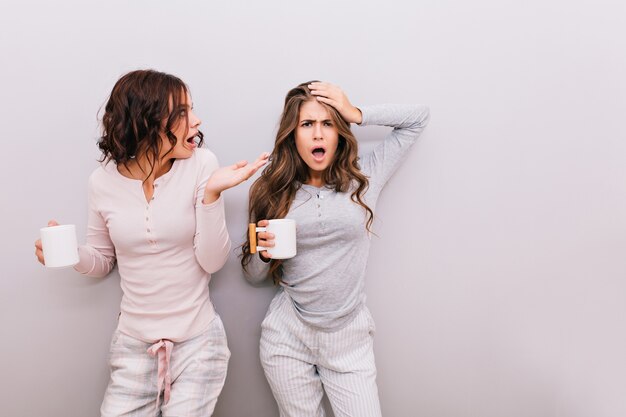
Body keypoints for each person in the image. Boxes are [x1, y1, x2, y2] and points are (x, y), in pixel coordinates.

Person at [34, 69, 268, 416]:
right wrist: (71, 255)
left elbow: (212, 262)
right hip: (132, 346)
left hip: (198, 343)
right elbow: (101, 260)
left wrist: (212, 194)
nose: (197, 121)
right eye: (184, 112)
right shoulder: (101, 183)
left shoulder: (202, 165)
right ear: (148, 122)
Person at [241, 81, 429, 417]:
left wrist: (355, 112)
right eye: (307, 124)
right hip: (287, 335)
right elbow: (254, 275)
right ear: (292, 134)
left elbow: (417, 118)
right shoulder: (271, 190)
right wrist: (264, 253)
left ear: (339, 132)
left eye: (327, 123)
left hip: (348, 336)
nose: (318, 135)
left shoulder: (364, 179)